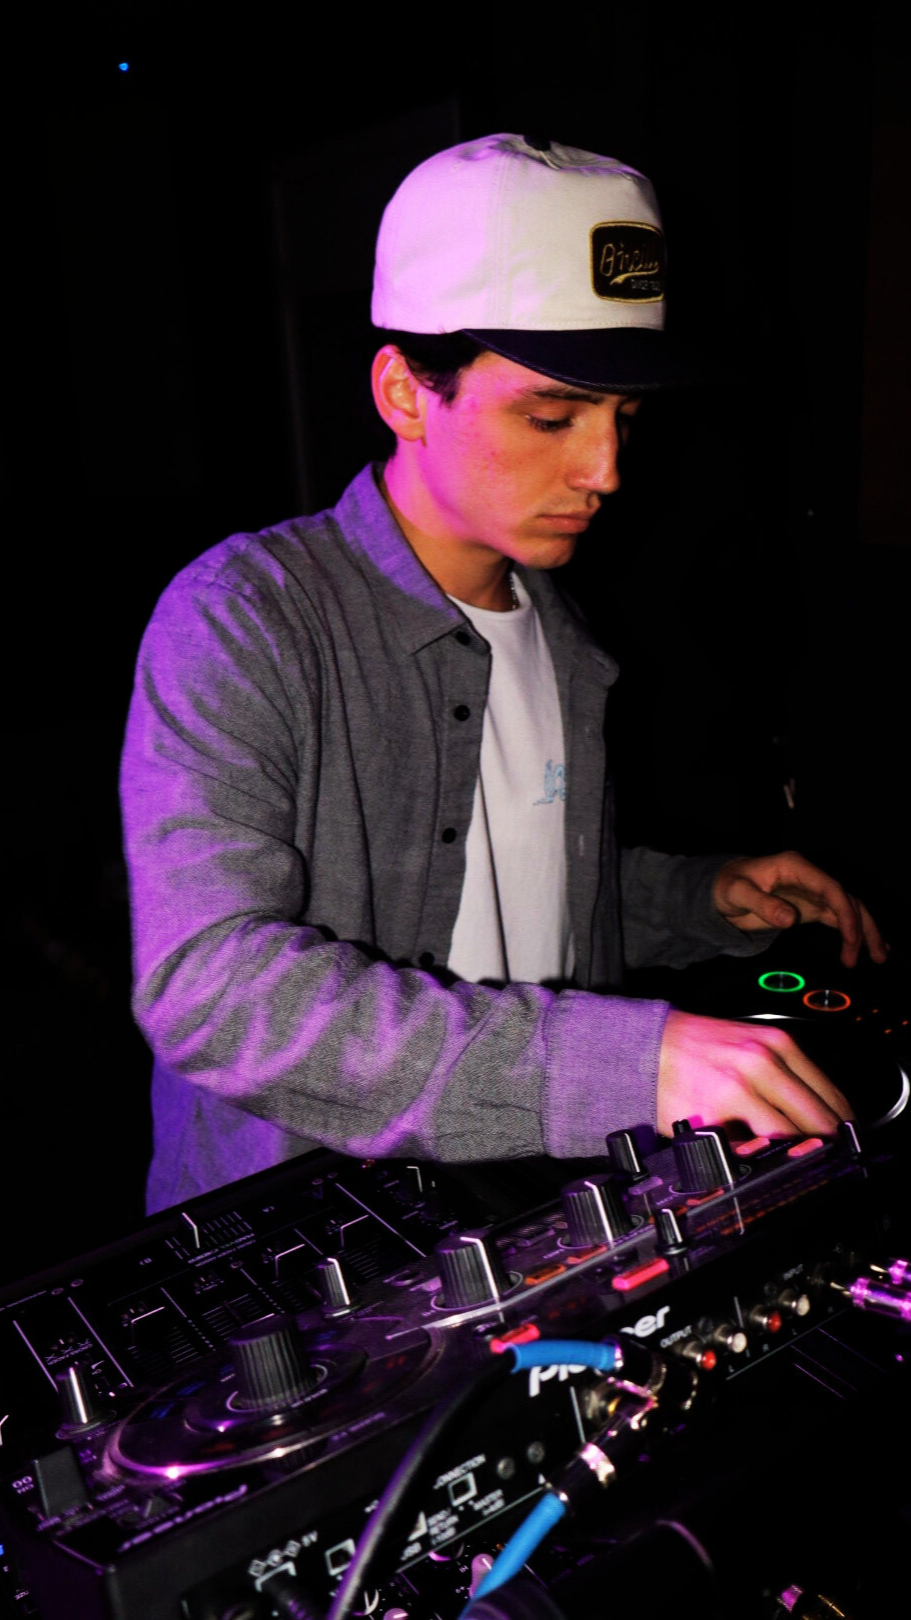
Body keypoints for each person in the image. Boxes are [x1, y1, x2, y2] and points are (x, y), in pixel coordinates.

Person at [120, 134, 886, 1214]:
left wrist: (694, 897)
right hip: (311, 1235)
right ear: (402, 391)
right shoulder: (244, 616)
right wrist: (623, 1065)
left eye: (623, 419)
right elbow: (212, 990)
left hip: (534, 1204)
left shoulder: (561, 632)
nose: (605, 470)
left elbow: (525, 900)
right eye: (550, 416)